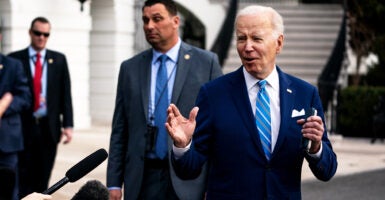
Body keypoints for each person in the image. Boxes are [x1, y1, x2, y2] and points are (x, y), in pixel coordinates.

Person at [166, 5, 338, 199]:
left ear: (278, 43)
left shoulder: (305, 94)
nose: (247, 47)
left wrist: (316, 148)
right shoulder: (213, 94)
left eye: (256, 38)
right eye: (241, 38)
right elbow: (189, 169)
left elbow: (327, 170)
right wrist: (183, 145)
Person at [106, 0, 222, 199]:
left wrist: (213, 184)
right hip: (142, 178)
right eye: (145, 20)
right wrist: (114, 183)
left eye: (157, 19)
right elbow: (120, 129)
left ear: (176, 21)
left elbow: (219, 128)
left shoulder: (206, 63)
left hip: (189, 178)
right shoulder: (130, 68)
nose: (149, 26)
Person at [8, 16, 74, 198]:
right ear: (30, 33)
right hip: (23, 127)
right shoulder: (15, 59)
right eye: (38, 33)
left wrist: (68, 125)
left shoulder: (59, 60)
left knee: (43, 178)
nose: (41, 38)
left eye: (46, 34)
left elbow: (65, 94)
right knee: (22, 176)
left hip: (48, 127)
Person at [0, 30, 31, 200]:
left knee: (9, 189)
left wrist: (4, 107)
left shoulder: (13, 65)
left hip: (7, 143)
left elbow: (24, 97)